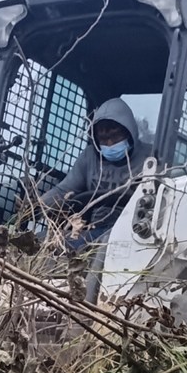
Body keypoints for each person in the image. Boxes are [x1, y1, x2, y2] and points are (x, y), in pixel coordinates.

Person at [39, 98, 150, 302]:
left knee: (104, 244)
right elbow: (65, 189)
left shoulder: (149, 158)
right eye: (103, 138)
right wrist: (36, 206)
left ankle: (88, 306)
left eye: (115, 136)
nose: (110, 143)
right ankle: (45, 295)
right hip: (95, 227)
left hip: (135, 231)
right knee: (51, 244)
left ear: (129, 131)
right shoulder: (90, 158)